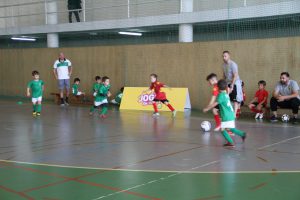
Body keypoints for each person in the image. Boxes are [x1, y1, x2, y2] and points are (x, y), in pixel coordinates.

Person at [204, 79, 246, 147]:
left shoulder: (221, 96)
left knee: (223, 129)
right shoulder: (226, 93)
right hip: (231, 114)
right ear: (226, 87)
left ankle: (231, 142)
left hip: (226, 116)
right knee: (231, 128)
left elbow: (215, 104)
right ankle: (243, 134)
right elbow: (229, 89)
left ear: (218, 88)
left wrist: (207, 108)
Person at [222, 51, 243, 118]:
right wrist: (223, 83)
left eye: (225, 56)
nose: (224, 57)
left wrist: (232, 85)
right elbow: (224, 75)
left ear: (229, 56)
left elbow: (235, 75)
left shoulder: (233, 64)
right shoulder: (223, 65)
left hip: (235, 82)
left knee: (235, 99)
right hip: (227, 82)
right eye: (223, 56)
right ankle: (229, 112)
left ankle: (234, 114)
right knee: (228, 98)